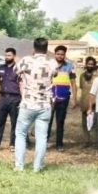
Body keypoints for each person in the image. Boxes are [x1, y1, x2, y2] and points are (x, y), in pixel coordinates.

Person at [14, 37, 58, 172]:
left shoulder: (26, 61)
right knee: (41, 138)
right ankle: (37, 167)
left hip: (28, 103)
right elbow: (55, 74)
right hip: (45, 105)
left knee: (21, 134)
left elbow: (15, 70)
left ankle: (19, 166)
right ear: (47, 49)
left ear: (33, 48)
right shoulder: (52, 63)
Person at [0, 47, 22, 151]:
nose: (7, 57)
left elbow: (22, 84)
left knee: (15, 122)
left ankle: (13, 144)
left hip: (15, 99)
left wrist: (23, 98)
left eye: (9, 55)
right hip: (3, 98)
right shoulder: (0, 68)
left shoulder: (18, 69)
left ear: (14, 56)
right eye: (6, 55)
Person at [47, 45, 77, 151]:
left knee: (60, 121)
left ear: (65, 55)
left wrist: (74, 98)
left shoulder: (69, 66)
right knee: (47, 120)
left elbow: (73, 83)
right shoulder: (49, 65)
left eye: (62, 54)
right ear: (54, 54)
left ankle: (59, 144)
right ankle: (44, 142)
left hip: (64, 98)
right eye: (58, 54)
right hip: (50, 97)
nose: (60, 56)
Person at [78, 56, 98, 146]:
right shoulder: (82, 76)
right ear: (86, 64)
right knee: (84, 123)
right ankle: (87, 141)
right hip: (84, 102)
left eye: (92, 64)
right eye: (88, 64)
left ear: (94, 65)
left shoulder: (97, 77)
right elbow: (82, 87)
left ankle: (96, 142)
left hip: (94, 102)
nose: (90, 66)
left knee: (95, 123)